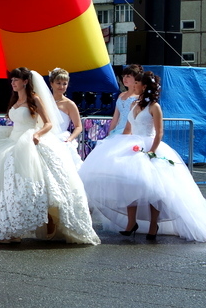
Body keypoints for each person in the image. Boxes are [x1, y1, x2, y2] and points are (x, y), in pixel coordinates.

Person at [0, 67, 100, 245]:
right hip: (12, 139)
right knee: (7, 184)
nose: (12, 83)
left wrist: (36, 134)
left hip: (28, 141)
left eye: (15, 80)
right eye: (12, 80)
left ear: (25, 81)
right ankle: (11, 227)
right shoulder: (15, 99)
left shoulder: (34, 98)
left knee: (33, 184)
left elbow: (49, 123)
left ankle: (41, 220)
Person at [79, 71, 206, 242]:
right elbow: (128, 129)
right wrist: (117, 142)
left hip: (150, 145)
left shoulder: (155, 107)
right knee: (129, 182)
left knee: (154, 188)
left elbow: (159, 132)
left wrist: (152, 151)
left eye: (138, 82)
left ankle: (154, 224)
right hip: (132, 145)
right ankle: (131, 223)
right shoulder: (134, 104)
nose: (135, 84)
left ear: (144, 86)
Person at [48, 68, 83, 169]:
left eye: (65, 83)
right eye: (58, 83)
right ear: (51, 83)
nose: (62, 86)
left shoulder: (69, 104)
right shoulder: (44, 102)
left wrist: (70, 139)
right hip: (46, 137)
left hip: (61, 139)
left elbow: (78, 126)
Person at [104, 64, 143, 139]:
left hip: (132, 132)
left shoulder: (140, 97)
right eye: (124, 76)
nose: (124, 78)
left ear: (136, 78)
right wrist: (110, 133)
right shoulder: (121, 95)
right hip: (117, 131)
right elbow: (116, 117)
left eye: (128, 76)